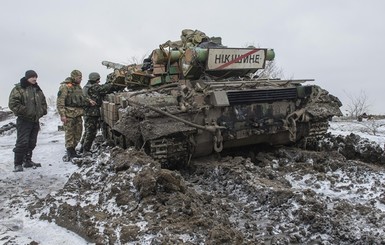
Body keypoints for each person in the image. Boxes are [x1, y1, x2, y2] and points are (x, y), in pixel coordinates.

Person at [8, 70, 47, 172]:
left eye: (35, 77)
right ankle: (18, 164)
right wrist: (26, 111)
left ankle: (27, 161)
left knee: (32, 142)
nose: (34, 79)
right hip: (24, 120)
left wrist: (42, 111)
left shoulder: (37, 89)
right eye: (32, 77)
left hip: (35, 120)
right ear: (27, 78)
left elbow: (43, 102)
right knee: (22, 143)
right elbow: (13, 104)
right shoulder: (19, 89)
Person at [56, 70, 95, 161]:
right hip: (69, 114)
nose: (80, 79)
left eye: (81, 77)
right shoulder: (65, 87)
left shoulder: (78, 87)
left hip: (78, 114)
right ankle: (70, 152)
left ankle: (73, 149)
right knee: (70, 133)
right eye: (79, 77)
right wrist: (63, 115)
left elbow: (82, 97)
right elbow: (60, 102)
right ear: (74, 77)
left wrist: (89, 101)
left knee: (78, 133)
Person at [81, 72, 121, 155]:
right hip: (92, 113)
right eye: (98, 79)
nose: (99, 81)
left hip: (88, 112)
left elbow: (102, 88)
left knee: (88, 131)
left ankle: (83, 148)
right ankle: (86, 150)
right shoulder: (93, 87)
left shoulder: (87, 86)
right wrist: (114, 82)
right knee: (91, 132)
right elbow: (105, 88)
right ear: (96, 79)